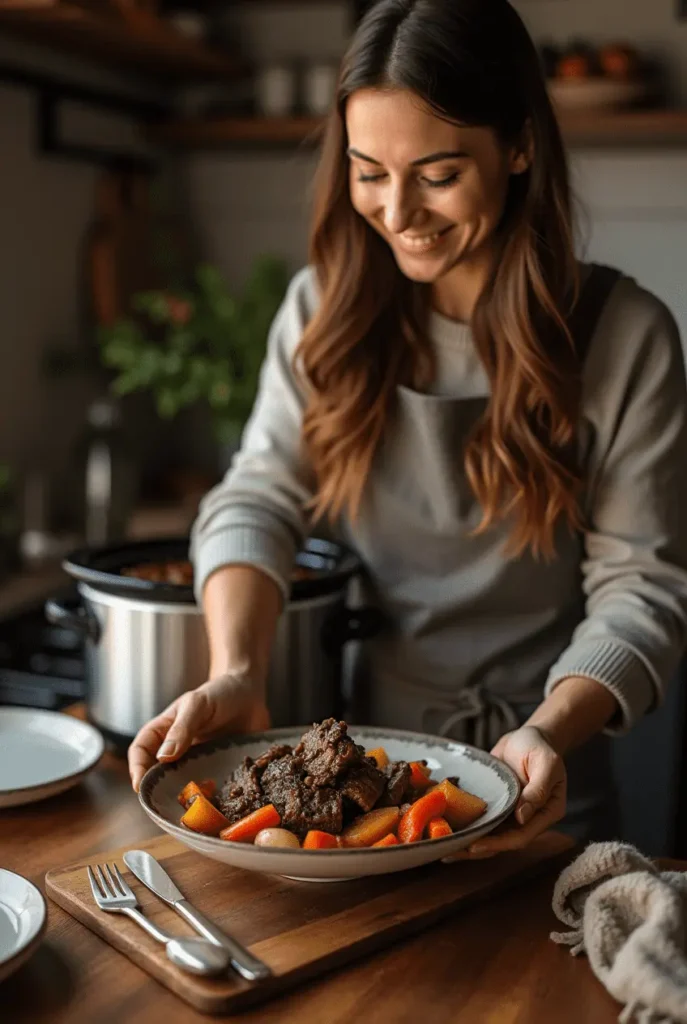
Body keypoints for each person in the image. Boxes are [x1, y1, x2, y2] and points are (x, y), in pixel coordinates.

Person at [128, 0, 687, 859]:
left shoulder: (625, 335)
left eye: (436, 174)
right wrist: (238, 669)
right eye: (367, 171)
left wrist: (543, 732)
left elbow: (641, 587)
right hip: (355, 789)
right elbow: (259, 496)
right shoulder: (323, 311)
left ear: (519, 147)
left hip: (537, 790)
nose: (397, 212)